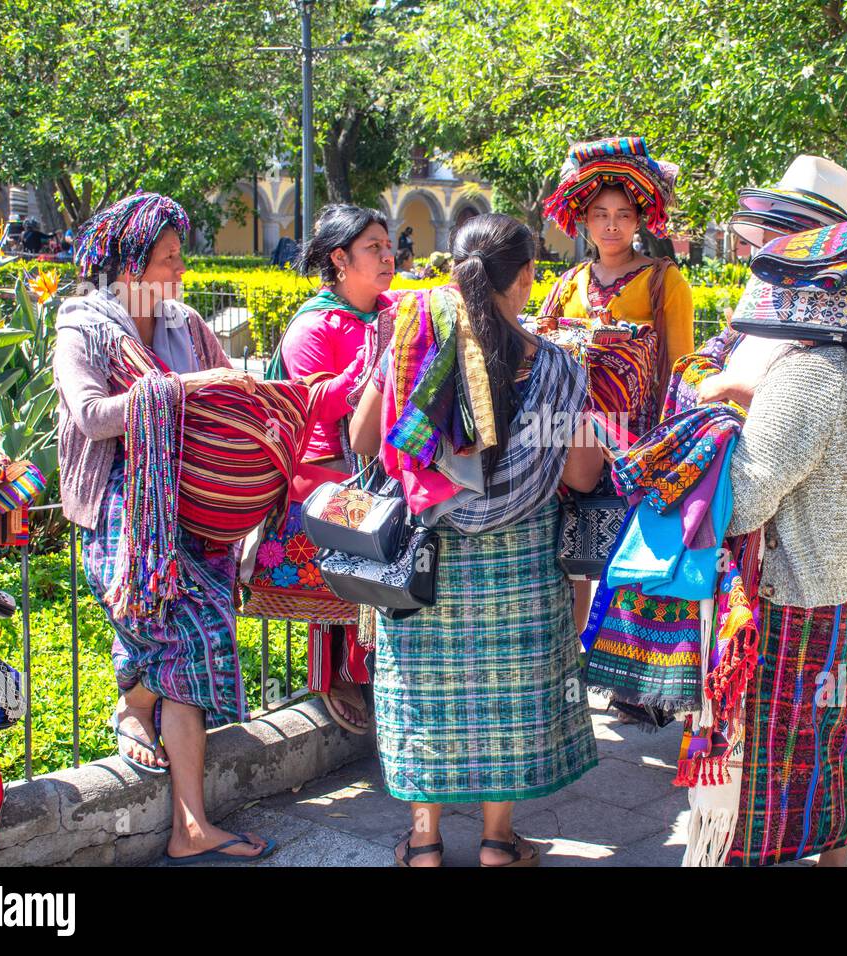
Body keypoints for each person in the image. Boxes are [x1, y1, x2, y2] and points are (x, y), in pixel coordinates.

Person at [348, 213, 603, 867]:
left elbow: (362, 441)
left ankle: (425, 842)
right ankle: (497, 842)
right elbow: (579, 473)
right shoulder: (557, 367)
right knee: (509, 698)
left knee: (424, 694)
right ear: (525, 278)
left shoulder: (412, 348)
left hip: (423, 558)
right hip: (521, 561)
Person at [708, 157, 847, 867]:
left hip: (789, 599)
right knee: (832, 740)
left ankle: (750, 856)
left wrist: (714, 416)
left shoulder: (806, 376)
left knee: (766, 755)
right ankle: (833, 856)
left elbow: (744, 500)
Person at [53, 192, 274, 863]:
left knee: (186, 651)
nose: (180, 271)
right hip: (122, 521)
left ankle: (187, 823)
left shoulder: (186, 325)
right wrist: (171, 395)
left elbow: (229, 394)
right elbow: (90, 416)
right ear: (129, 264)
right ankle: (137, 709)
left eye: (179, 258)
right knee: (201, 634)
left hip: (191, 511)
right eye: (168, 260)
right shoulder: (83, 326)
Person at [539, 135, 696, 632]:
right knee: (572, 552)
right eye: (601, 213)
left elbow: (682, 364)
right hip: (566, 440)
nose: (611, 224)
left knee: (630, 554)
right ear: (582, 218)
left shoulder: (664, 281)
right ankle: (569, 658)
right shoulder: (567, 284)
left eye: (623, 214)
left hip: (639, 441)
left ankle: (629, 668)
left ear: (640, 220)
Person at [272, 204, 399, 734]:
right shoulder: (313, 323)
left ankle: (377, 668)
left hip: (383, 463)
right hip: (328, 469)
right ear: (339, 259)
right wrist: (372, 358)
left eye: (388, 245)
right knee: (338, 579)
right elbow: (310, 400)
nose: (389, 255)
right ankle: (336, 675)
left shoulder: (392, 309)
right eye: (374, 248)